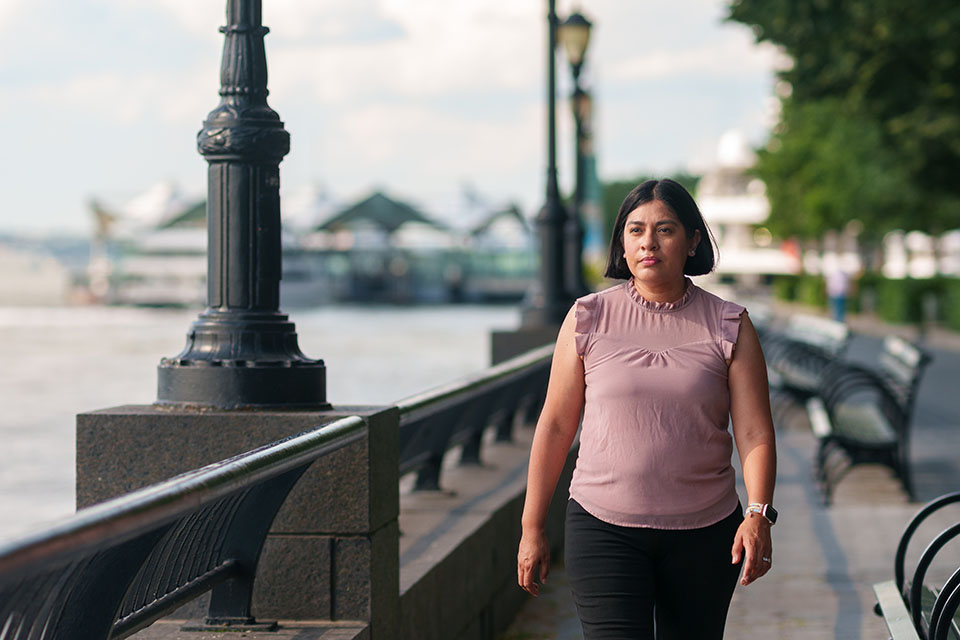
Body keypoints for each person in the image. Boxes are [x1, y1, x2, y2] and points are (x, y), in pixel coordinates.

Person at [516, 179, 777, 639]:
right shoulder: (586, 317)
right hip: (602, 529)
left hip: (706, 532)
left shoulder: (730, 324)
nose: (648, 243)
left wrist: (758, 515)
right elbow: (556, 425)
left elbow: (755, 433)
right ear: (621, 241)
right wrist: (532, 526)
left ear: (693, 240)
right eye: (635, 231)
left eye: (665, 229)